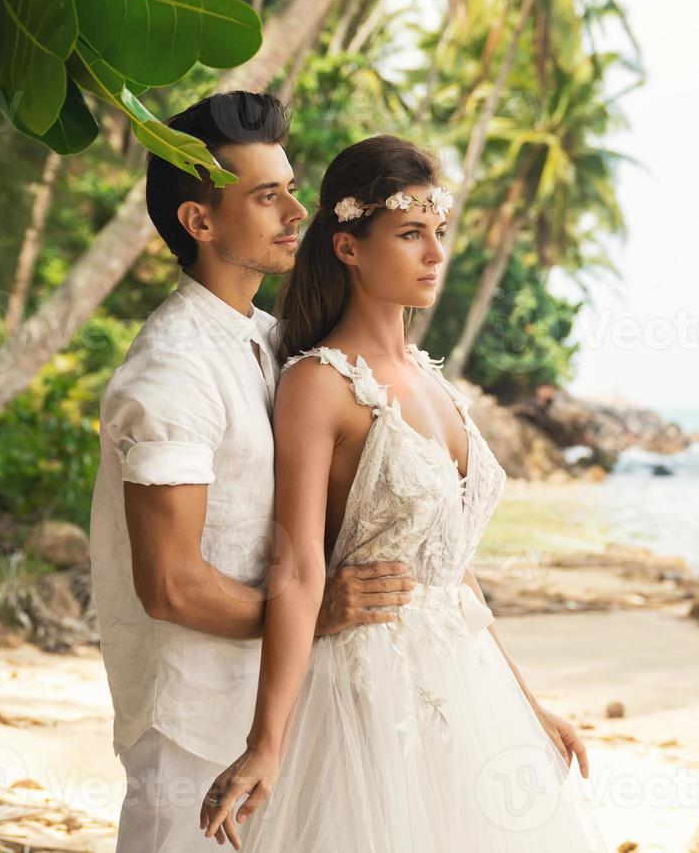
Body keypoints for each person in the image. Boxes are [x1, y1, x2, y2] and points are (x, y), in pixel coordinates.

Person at [198, 135, 607, 850]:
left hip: (472, 693)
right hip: (368, 697)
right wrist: (266, 741)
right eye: (410, 234)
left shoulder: (433, 377)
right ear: (350, 246)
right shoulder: (318, 385)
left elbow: (453, 571)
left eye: (438, 233)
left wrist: (527, 706)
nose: (435, 255)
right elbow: (297, 568)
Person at [89, 93, 418, 853]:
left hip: (279, 711)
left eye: (292, 188)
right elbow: (170, 585)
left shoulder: (273, 343)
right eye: (267, 197)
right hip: (193, 728)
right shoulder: (170, 373)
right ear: (199, 223)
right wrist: (318, 615)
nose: (296, 211)